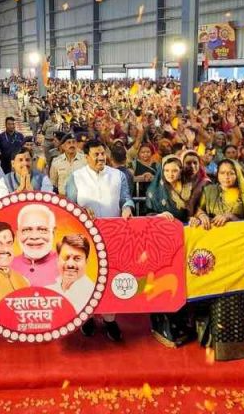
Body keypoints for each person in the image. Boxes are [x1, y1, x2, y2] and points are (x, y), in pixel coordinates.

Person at [190, 159, 244, 361]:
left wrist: (231, 217)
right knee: (215, 297)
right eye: (222, 173)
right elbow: (198, 210)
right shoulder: (209, 191)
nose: (226, 177)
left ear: (237, 174)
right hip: (215, 254)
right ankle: (212, 341)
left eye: (230, 173)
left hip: (238, 255)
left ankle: (235, 346)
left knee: (236, 299)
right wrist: (201, 215)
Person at [65, 139, 134, 341]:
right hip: (84, 238)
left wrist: (127, 207)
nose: (101, 157)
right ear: (86, 157)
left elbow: (126, 198)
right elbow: (68, 206)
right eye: (96, 154)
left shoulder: (118, 175)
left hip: (113, 236)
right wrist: (81, 210)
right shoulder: (75, 177)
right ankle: (86, 318)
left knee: (109, 277)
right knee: (87, 278)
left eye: (103, 153)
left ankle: (109, 319)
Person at [146, 153, 208, 347]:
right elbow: (147, 215)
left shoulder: (192, 188)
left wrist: (198, 216)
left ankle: (186, 328)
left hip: (188, 243)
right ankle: (164, 329)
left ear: (181, 170)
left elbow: (198, 209)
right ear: (161, 171)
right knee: (165, 283)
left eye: (174, 170)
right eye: (166, 170)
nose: (170, 174)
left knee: (185, 283)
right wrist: (158, 215)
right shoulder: (155, 190)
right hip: (163, 243)